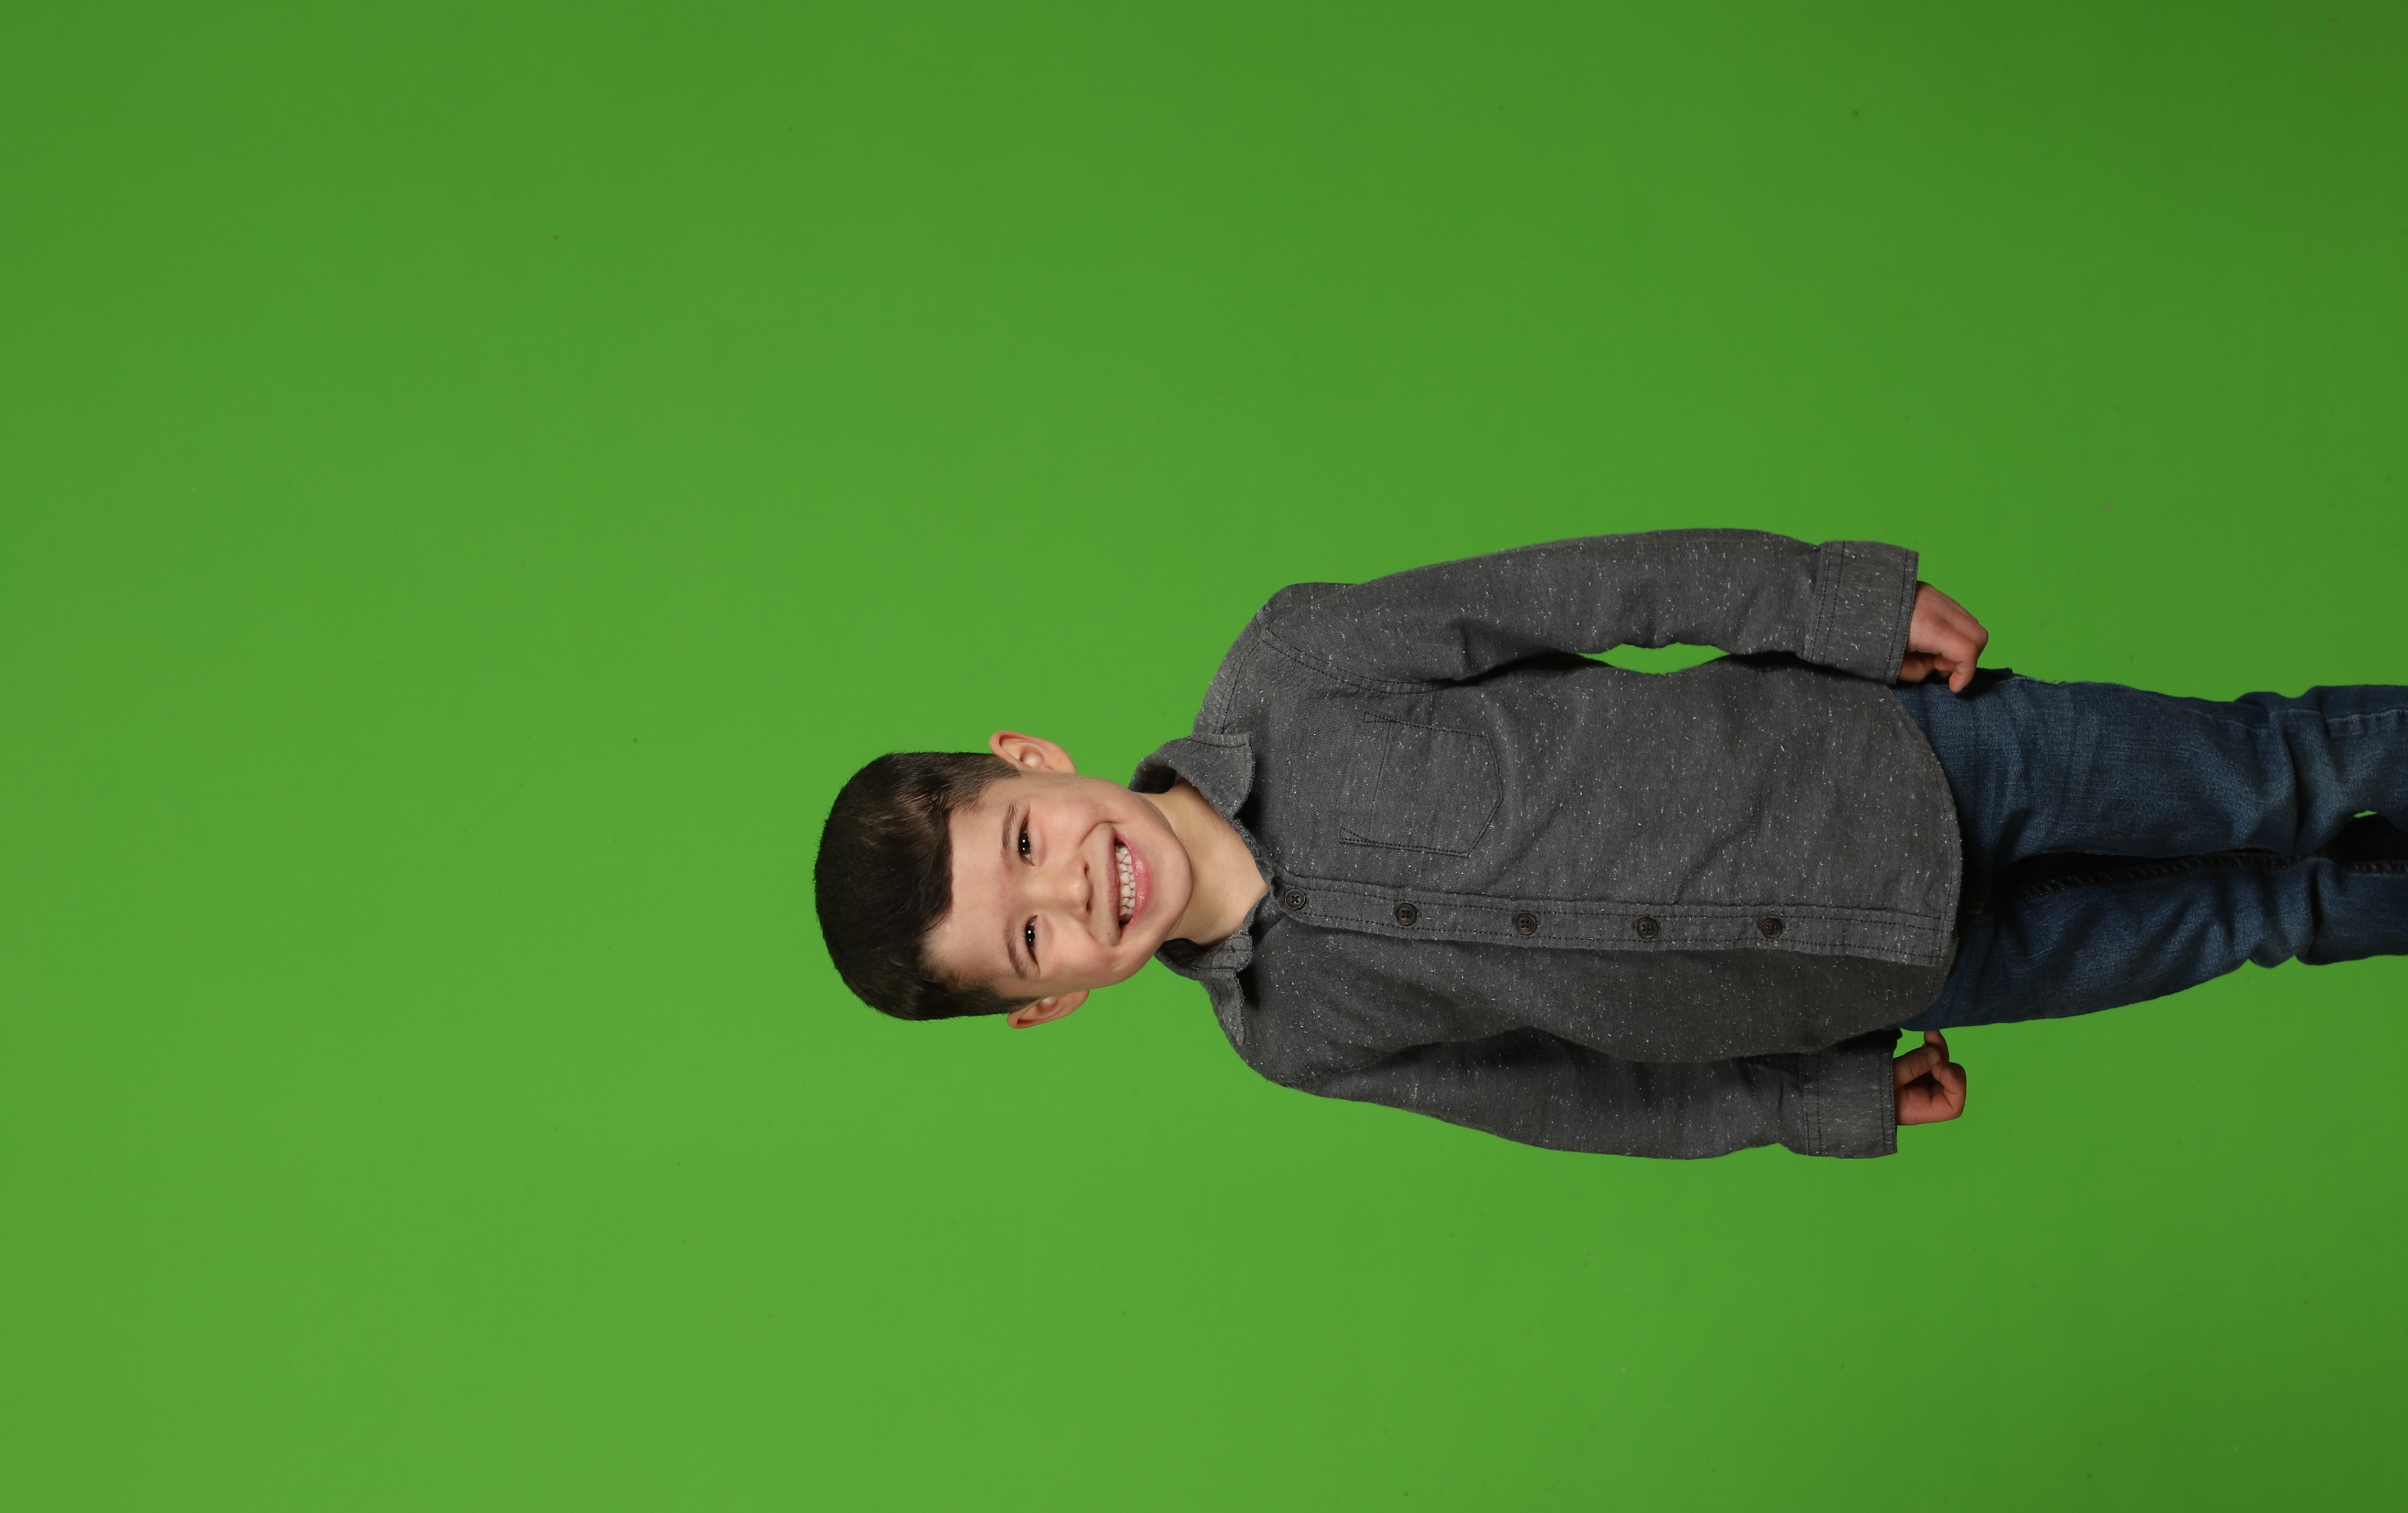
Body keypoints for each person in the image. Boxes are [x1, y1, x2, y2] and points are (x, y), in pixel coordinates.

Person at [815, 530, 2407, 1159]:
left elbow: (1594, 590)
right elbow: (1575, 1099)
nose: (1071, 885)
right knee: (2258, 920)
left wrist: (1836, 606)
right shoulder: (1294, 1040)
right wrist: (1809, 1098)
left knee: (2278, 773)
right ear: (1048, 1002)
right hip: (1887, 975)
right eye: (1030, 934)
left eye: (1026, 840)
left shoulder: (1298, 663)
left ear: (1032, 761)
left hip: (1915, 762)